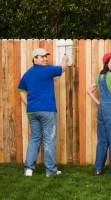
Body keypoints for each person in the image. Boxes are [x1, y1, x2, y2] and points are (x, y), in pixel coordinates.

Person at [18, 48, 69, 177]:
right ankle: (51, 171)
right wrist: (65, 59)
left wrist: (28, 103)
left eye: (46, 56)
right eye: (42, 57)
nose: (45, 59)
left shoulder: (27, 74)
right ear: (35, 59)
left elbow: (21, 90)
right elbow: (62, 68)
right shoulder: (47, 70)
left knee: (34, 139)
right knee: (49, 140)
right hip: (47, 110)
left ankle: (28, 169)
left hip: (32, 111)